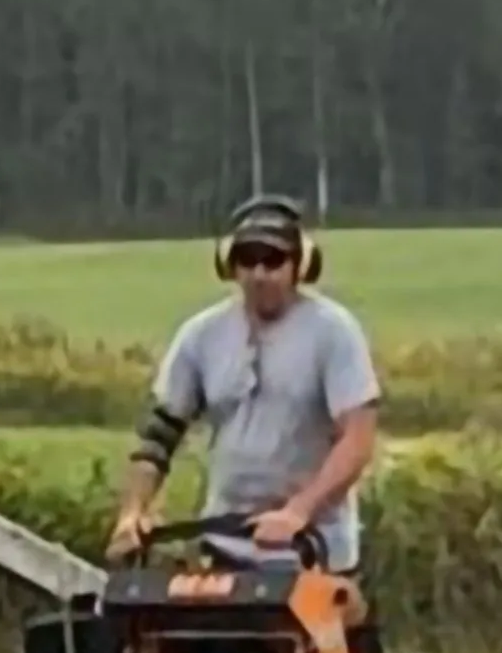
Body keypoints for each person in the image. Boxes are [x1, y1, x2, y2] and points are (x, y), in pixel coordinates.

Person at [105, 193, 381, 584]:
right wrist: (133, 513)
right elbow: (158, 434)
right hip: (223, 549)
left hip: (313, 553)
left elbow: (357, 440)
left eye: (272, 261)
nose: (259, 274)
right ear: (228, 266)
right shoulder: (201, 335)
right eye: (247, 261)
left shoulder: (335, 333)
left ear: (299, 265)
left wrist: (297, 512)